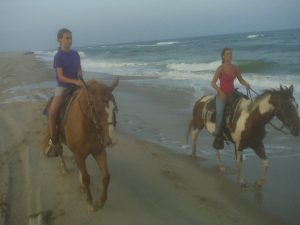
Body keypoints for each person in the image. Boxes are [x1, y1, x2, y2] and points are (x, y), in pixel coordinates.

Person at [45, 28, 83, 157]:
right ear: (60, 39)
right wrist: (75, 82)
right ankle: (53, 141)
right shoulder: (58, 56)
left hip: (77, 86)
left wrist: (80, 78)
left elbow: (79, 70)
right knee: (52, 113)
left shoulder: (75, 54)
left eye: (71, 38)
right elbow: (60, 77)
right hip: (63, 88)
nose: (70, 40)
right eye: (67, 38)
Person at [211, 48, 251, 149]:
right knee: (219, 113)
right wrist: (220, 92)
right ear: (223, 56)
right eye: (228, 54)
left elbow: (240, 80)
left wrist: (246, 84)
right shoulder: (220, 69)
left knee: (246, 102)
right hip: (222, 95)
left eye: (231, 54)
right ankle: (217, 135)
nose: (230, 55)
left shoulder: (235, 67)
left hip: (233, 93)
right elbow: (213, 83)